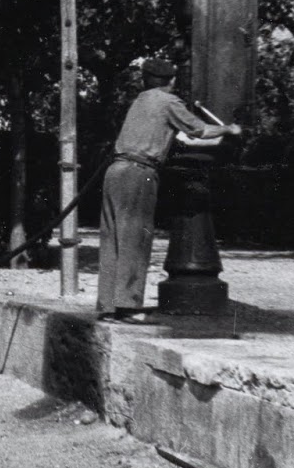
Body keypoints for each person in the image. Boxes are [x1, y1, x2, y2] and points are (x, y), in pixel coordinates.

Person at [96, 58, 241, 323]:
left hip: (114, 171)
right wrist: (229, 128)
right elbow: (199, 130)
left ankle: (108, 306)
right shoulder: (169, 102)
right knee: (135, 238)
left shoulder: (141, 101)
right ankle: (128, 306)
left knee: (112, 239)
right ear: (171, 81)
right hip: (139, 173)